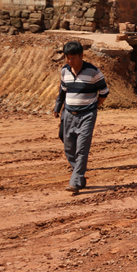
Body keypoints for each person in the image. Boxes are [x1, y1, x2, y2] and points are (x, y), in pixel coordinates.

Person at [53, 41, 109, 195]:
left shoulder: (93, 72)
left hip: (87, 115)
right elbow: (63, 91)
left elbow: (104, 92)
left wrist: (95, 106)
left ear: (81, 56)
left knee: (82, 149)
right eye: (67, 58)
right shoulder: (65, 71)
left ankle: (75, 181)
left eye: (73, 58)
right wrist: (57, 108)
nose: (70, 61)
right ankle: (79, 175)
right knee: (69, 147)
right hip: (69, 113)